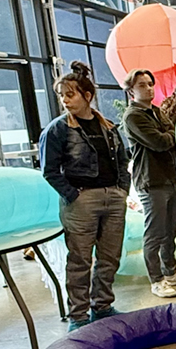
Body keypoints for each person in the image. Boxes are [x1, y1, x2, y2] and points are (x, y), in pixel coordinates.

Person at [39, 61, 128, 329]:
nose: (65, 100)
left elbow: (123, 161)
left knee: (110, 257)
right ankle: (78, 315)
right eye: (61, 95)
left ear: (87, 96)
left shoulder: (108, 126)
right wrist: (72, 195)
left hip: (112, 196)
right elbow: (49, 170)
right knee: (79, 260)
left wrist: (122, 190)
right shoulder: (58, 129)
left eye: (70, 94)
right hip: (81, 200)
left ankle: (102, 306)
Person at [122, 69, 176, 299]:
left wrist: (168, 134)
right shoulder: (133, 116)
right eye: (142, 85)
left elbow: (171, 134)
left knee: (170, 230)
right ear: (131, 90)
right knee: (154, 233)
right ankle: (156, 279)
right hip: (150, 180)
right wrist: (168, 135)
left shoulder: (156, 111)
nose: (148, 88)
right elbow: (160, 141)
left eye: (149, 83)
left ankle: (171, 271)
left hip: (168, 178)